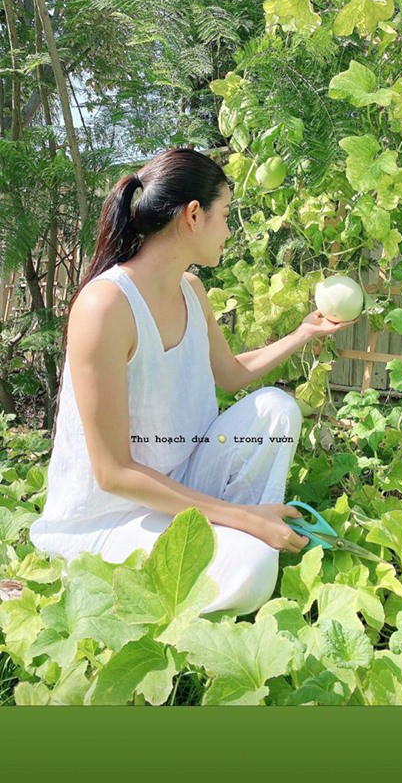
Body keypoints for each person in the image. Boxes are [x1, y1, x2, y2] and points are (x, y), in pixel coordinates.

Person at [30, 147, 358, 615]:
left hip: (181, 479)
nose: (228, 231)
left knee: (277, 410)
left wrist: (304, 333)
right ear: (192, 215)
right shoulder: (104, 308)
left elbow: (231, 374)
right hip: (115, 515)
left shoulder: (190, 289)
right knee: (252, 569)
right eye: (225, 215)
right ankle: (238, 532)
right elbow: (113, 472)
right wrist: (245, 518)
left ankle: (235, 530)